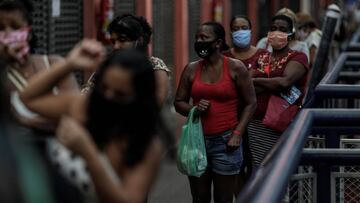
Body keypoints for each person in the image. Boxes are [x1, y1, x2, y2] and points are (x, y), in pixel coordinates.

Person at [20, 41, 164, 203]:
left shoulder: (145, 143)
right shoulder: (84, 106)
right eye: (104, 88)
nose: (108, 97)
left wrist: (88, 151)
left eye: (120, 94)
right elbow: (29, 98)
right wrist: (69, 64)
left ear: (140, 98)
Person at [174, 22, 257, 203]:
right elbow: (178, 102)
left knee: (224, 199)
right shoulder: (191, 69)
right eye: (197, 38)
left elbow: (251, 103)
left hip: (226, 143)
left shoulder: (236, 68)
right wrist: (194, 109)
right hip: (197, 142)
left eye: (204, 38)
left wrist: (237, 134)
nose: (199, 41)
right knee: (200, 198)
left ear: (218, 43)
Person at [248, 15, 310, 168]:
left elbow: (284, 82)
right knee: (261, 169)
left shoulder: (298, 57)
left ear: (291, 34)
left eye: (283, 29)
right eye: (273, 29)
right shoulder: (261, 57)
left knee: (282, 170)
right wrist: (271, 83)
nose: (277, 33)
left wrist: (256, 81)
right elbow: (247, 87)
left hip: (284, 122)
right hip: (258, 124)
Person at [82, 14, 170, 107]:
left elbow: (153, 106)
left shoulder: (155, 66)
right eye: (113, 42)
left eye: (122, 40)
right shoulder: (108, 66)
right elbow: (85, 97)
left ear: (139, 41)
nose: (116, 46)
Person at [223, 15, 268, 194]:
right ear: (230, 32)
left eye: (244, 27)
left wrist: (240, 85)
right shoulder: (224, 58)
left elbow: (267, 84)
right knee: (235, 166)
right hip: (231, 121)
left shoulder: (264, 56)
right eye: (236, 28)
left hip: (258, 121)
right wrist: (252, 80)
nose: (240, 31)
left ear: (251, 29)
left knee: (257, 165)